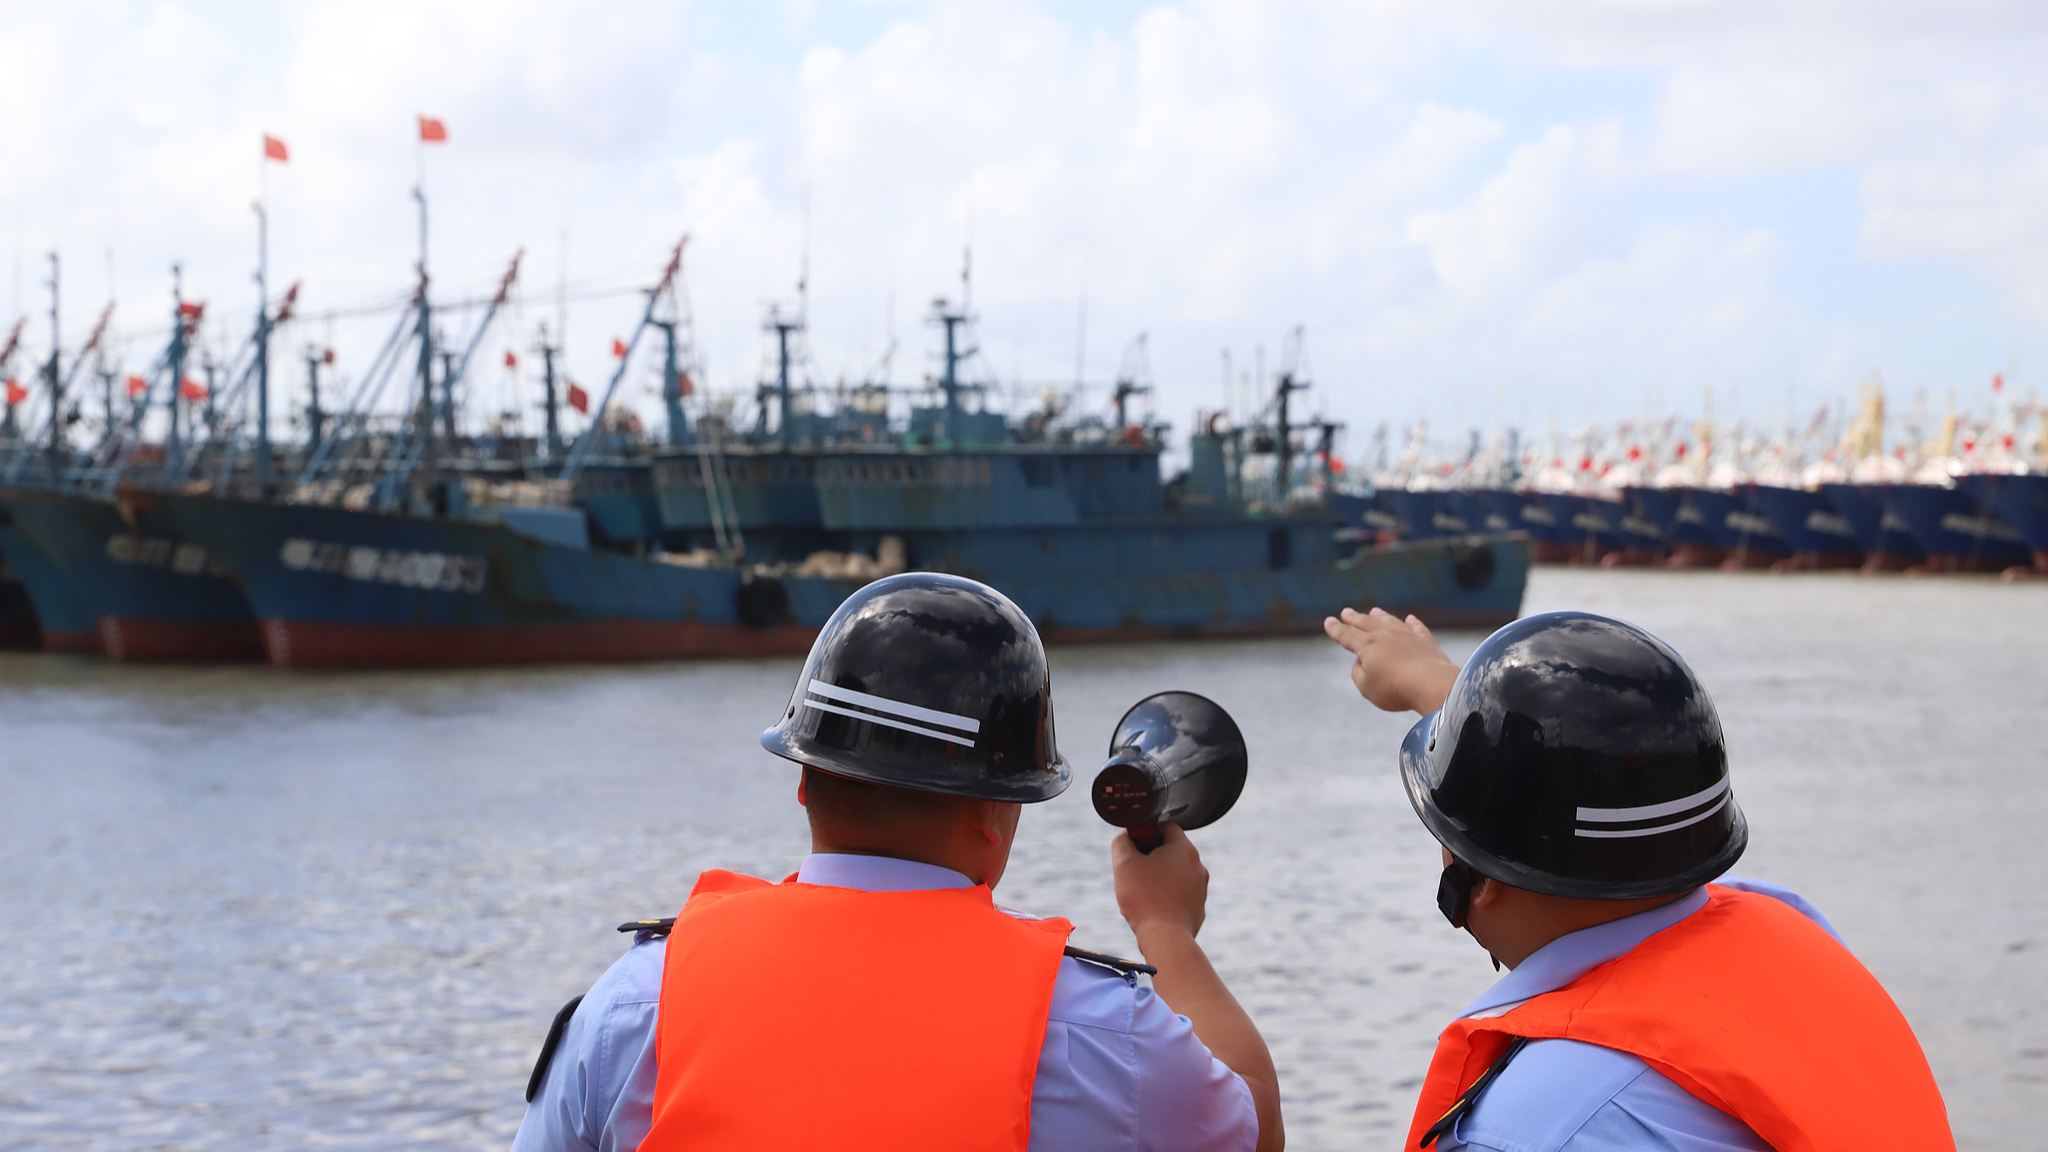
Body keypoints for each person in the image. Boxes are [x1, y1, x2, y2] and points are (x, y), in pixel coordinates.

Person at [513, 572, 1282, 1152]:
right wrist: (1165, 926)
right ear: (996, 808)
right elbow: (1253, 1129)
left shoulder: (637, 1001)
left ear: (806, 779)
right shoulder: (1096, 1028)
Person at [1322, 605, 1954, 1152]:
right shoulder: (1789, 925)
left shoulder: (1535, 1127)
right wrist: (1440, 687)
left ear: (1477, 883)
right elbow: (1601, 795)